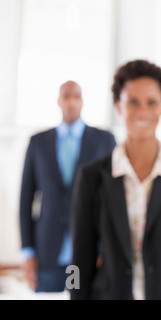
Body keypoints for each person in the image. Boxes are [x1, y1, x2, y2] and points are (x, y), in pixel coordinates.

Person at [69, 59, 161, 300]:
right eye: (133, 102)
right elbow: (80, 260)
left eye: (152, 102)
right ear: (118, 105)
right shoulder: (92, 177)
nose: (143, 111)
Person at [19, 80, 116, 293]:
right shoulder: (38, 142)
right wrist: (27, 251)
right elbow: (25, 199)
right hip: (48, 250)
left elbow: (113, 200)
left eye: (76, 96)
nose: (71, 102)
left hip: (92, 250)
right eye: (66, 96)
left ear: (82, 101)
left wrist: (108, 248)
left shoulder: (105, 140)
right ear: (59, 101)